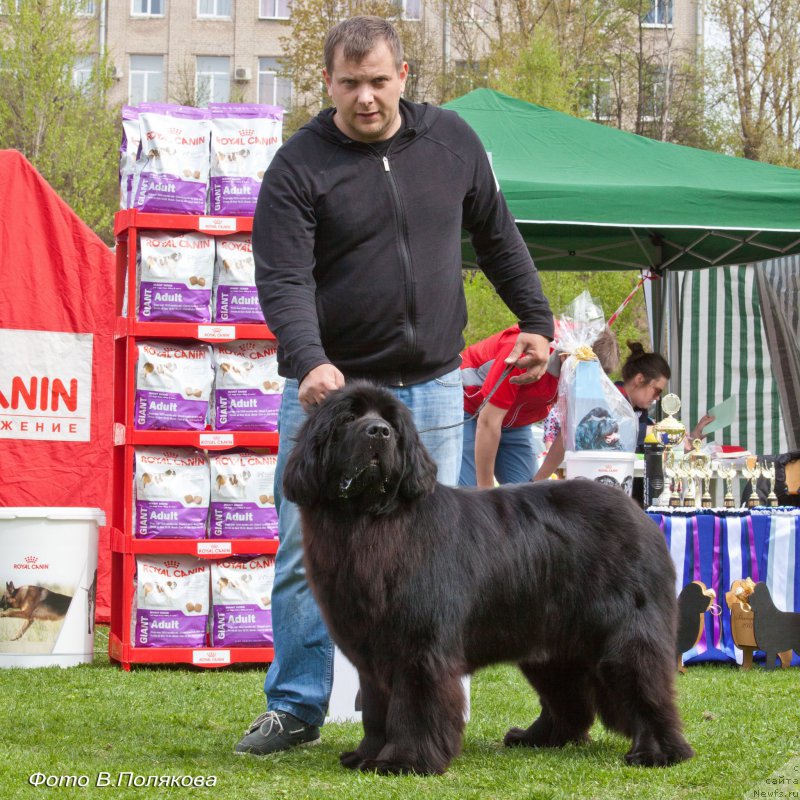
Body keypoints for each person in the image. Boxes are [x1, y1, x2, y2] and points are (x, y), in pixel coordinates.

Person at [235, 15, 554, 757]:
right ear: (327, 83)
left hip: (436, 386)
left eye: (379, 80)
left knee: (435, 556)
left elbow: (499, 235)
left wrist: (536, 319)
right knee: (302, 552)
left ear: (404, 76)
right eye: (350, 84)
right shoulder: (297, 166)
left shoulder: (454, 144)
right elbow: (282, 279)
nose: (366, 98)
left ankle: (424, 708)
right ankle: (295, 705)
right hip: (332, 396)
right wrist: (308, 358)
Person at [459, 325, 619, 488]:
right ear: (566, 357)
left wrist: (538, 482)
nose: (583, 384)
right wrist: (485, 490)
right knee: (469, 496)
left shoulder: (577, 371)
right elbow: (488, 423)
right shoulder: (525, 352)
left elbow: (567, 431)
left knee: (526, 500)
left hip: (515, 425)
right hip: (470, 412)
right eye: (582, 376)